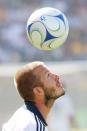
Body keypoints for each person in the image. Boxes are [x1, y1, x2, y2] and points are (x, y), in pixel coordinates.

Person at [2, 61, 65, 131]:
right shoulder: (34, 126)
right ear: (38, 91)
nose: (56, 77)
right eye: (48, 75)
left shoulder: (19, 117)